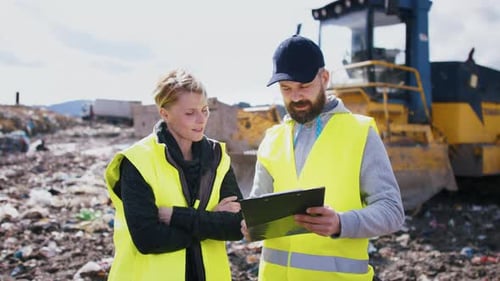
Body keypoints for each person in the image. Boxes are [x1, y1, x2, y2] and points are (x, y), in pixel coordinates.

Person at [241, 35, 405, 281]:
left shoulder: (359, 133)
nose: (295, 97)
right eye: (286, 89)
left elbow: (392, 211)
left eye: (304, 86)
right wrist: (247, 224)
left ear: (324, 78)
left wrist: (341, 223)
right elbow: (258, 209)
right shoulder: (272, 139)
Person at [105, 69, 243, 281]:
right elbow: (148, 238)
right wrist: (212, 221)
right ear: (164, 114)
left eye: (205, 110)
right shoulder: (137, 162)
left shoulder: (218, 157)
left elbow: (236, 226)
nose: (201, 120)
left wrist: (176, 217)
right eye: (190, 113)